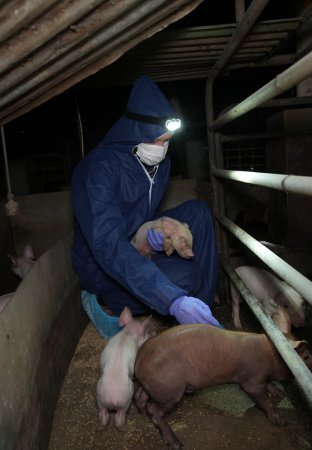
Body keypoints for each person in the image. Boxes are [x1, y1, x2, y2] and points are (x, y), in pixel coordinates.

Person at [71, 75, 221, 338]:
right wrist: (172, 299)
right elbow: (108, 244)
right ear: (136, 131)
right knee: (186, 278)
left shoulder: (160, 165)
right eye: (157, 140)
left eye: (167, 141)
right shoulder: (98, 170)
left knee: (198, 212)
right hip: (103, 267)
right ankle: (111, 303)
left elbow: (143, 216)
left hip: (136, 245)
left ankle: (203, 315)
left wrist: (150, 234)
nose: (162, 149)